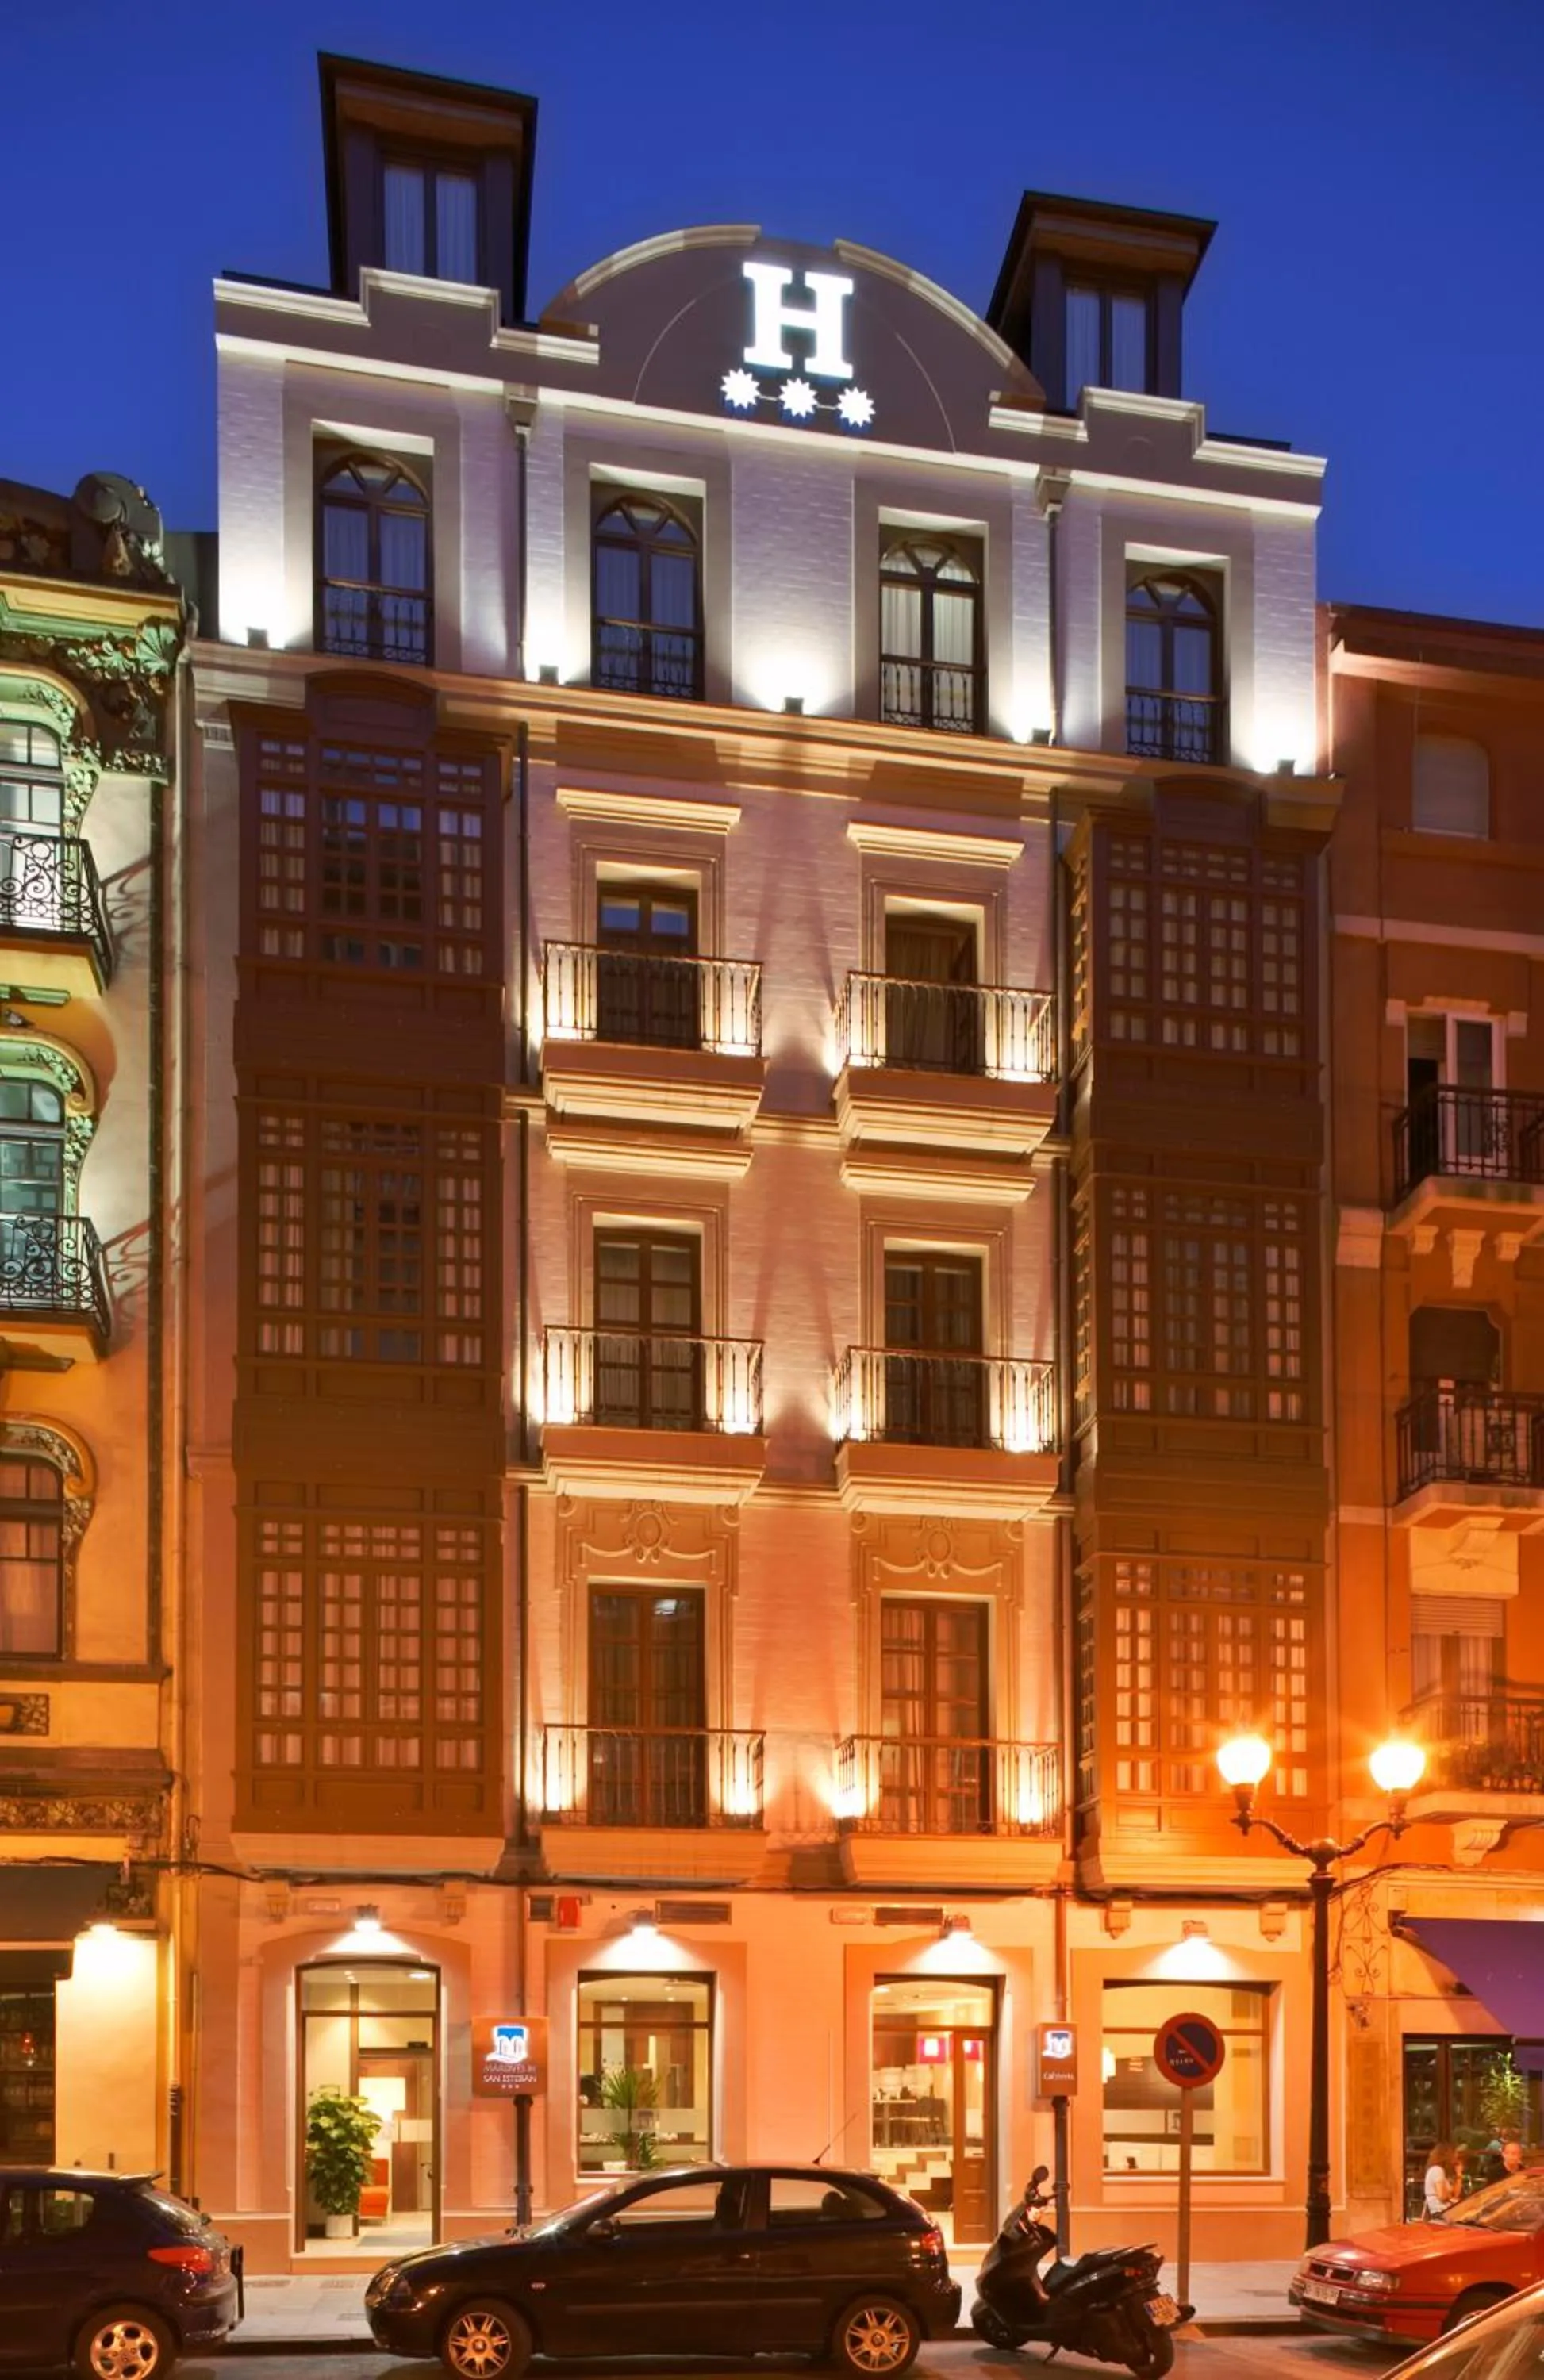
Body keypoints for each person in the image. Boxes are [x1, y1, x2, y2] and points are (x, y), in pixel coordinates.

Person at [1423, 2144, 1458, 2219]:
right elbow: (1442, 2196)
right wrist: (1451, 2198)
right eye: (1455, 2154)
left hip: (1446, 2211)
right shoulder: (1437, 2170)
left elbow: (1456, 2193)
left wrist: (1459, 2174)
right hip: (1441, 2212)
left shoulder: (1441, 2171)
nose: (1456, 2157)